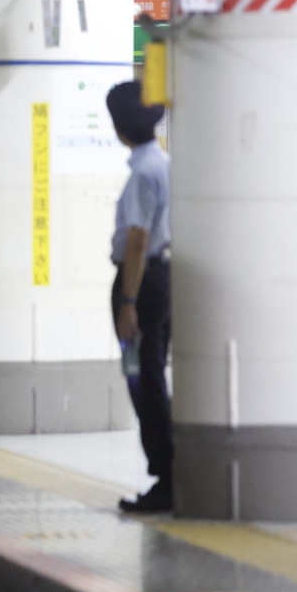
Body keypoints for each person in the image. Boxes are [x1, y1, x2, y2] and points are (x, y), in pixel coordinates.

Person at [106, 81, 173, 513]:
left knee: (142, 378)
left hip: (141, 286)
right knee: (150, 373)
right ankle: (166, 473)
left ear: (120, 128)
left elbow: (136, 241)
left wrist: (128, 304)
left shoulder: (143, 174)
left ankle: (165, 477)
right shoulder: (163, 164)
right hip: (159, 281)